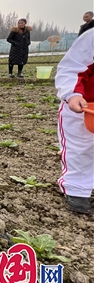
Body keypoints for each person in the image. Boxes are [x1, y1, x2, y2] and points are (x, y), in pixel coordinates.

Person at [55, 29, 94, 214]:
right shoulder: (91, 38)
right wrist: (73, 93)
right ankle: (78, 189)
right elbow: (72, 67)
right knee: (80, 145)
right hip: (84, 104)